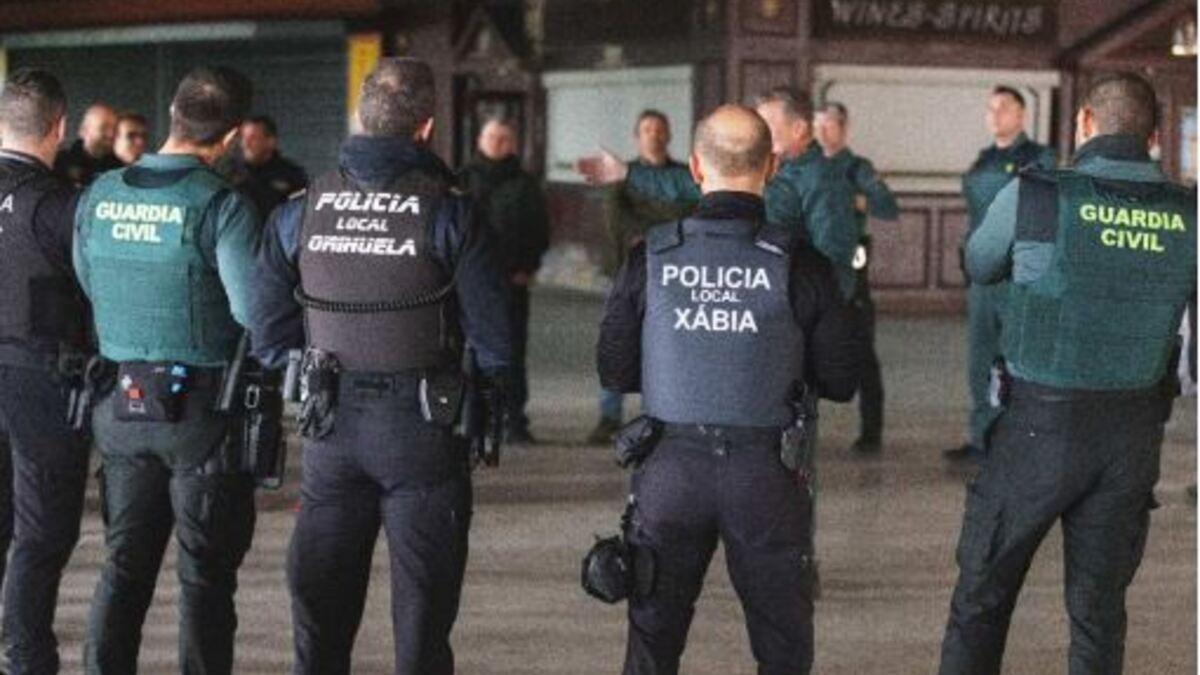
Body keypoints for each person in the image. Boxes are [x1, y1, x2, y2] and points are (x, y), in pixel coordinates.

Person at [249, 57, 512, 675]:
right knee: (423, 611)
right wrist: (489, 396)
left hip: (329, 425)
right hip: (424, 429)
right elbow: (495, 336)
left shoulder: (302, 207)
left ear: (359, 119)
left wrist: (299, 367)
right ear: (424, 129)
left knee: (320, 606)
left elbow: (265, 326)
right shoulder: (450, 211)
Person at [939, 73, 1196, 674]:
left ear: (1083, 123)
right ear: (1155, 136)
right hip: (1133, 435)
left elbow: (979, 264)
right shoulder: (1190, 212)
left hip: (1038, 431)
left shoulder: (1037, 193)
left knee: (982, 597)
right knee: (1099, 613)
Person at [598, 104, 861, 675]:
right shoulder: (801, 263)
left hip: (669, 470)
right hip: (767, 476)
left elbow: (614, 372)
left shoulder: (651, 257)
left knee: (652, 645)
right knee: (782, 647)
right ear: (770, 167)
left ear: (695, 167)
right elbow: (843, 380)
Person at [73, 66, 259, 675]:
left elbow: (87, 280)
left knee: (124, 564)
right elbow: (251, 308)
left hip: (120, 404)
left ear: (174, 117)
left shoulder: (99, 194)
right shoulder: (223, 205)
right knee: (204, 576)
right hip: (201, 414)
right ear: (229, 137)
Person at [0, 68, 93, 675]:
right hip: (39, 380)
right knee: (42, 531)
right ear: (58, 127)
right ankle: (26, 656)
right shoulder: (62, 205)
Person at [944, 86, 1056, 463]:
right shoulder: (983, 159)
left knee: (1019, 358)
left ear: (1021, 114)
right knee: (980, 359)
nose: (994, 115)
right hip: (982, 275)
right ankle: (982, 438)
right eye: (990, 109)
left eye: (1003, 108)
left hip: (1019, 277)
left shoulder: (1039, 157)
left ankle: (1020, 438)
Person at [588, 109, 693, 445]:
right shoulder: (620, 176)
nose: (654, 135)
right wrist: (657, 228)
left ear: (669, 135)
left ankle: (661, 414)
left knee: (667, 346)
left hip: (675, 273)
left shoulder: (683, 176)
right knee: (618, 340)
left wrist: (654, 228)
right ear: (637, 136)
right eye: (647, 129)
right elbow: (615, 220)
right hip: (628, 270)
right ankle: (608, 416)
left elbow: (687, 214)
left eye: (660, 129)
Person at [814, 101, 900, 454]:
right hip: (814, 266)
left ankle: (871, 430)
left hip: (851, 267)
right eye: (817, 126)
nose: (823, 132)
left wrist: (862, 200)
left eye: (829, 126)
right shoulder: (806, 166)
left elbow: (887, 207)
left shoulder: (857, 169)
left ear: (843, 128)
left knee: (862, 350)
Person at [460, 117, 548, 445]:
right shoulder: (463, 179)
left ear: (512, 143)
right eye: (492, 136)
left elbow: (540, 228)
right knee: (469, 352)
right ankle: (473, 419)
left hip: (511, 280)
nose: (497, 142)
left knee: (511, 352)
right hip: (469, 284)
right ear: (480, 140)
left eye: (503, 137)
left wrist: (528, 266)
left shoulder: (525, 184)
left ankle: (514, 421)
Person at [226, 115, 308, 221]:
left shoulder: (292, 175)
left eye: (253, 138)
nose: (245, 144)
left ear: (270, 142)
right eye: (243, 138)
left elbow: (300, 214)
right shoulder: (229, 172)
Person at [53, 102, 120, 187]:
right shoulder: (59, 164)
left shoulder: (121, 169)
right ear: (84, 130)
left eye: (114, 129)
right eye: (104, 127)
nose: (110, 134)